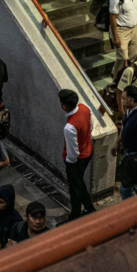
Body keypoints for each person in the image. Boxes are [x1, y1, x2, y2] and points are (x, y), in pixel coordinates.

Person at [59, 89, 95, 220]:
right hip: (88, 151)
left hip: (77, 160)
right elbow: (90, 126)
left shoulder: (69, 127)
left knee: (74, 188)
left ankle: (76, 214)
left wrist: (69, 163)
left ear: (63, 106)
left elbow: (73, 153)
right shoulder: (85, 108)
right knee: (79, 183)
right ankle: (89, 207)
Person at [113, 85, 137, 199]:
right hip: (129, 152)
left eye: (124, 98)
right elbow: (124, 126)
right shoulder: (129, 110)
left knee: (127, 188)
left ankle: (134, 209)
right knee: (133, 186)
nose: (122, 101)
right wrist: (117, 143)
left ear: (131, 99)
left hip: (136, 154)